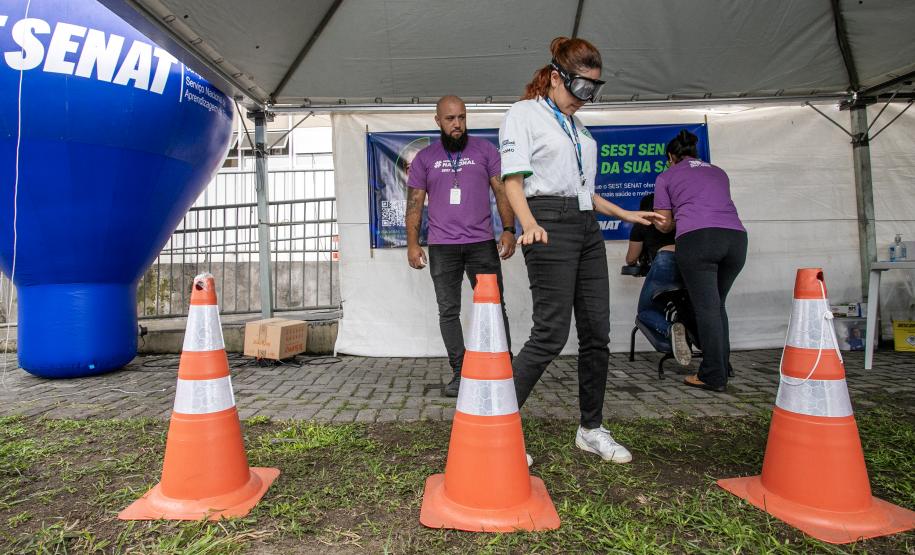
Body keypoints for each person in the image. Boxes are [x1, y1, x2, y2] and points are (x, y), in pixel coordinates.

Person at [499, 37, 662, 463]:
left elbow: (583, 191)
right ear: (556, 77)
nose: (583, 98)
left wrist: (625, 214)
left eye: (593, 90)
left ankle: (591, 429)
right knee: (550, 334)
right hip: (546, 222)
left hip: (585, 224)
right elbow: (513, 180)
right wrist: (528, 224)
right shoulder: (524, 113)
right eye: (579, 88)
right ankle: (493, 426)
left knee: (596, 334)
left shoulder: (577, 126)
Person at [406, 95, 517, 397]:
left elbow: (502, 191)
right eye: (450, 119)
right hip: (442, 247)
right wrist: (413, 244)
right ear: (438, 121)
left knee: (495, 307)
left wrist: (509, 229)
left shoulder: (485, 150)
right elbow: (414, 203)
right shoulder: (425, 158)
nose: (457, 124)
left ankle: (504, 367)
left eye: (462, 118)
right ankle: (460, 371)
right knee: (448, 310)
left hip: (482, 244)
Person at [653, 129, 747, 392]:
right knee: (717, 306)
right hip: (736, 239)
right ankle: (722, 366)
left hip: (699, 240)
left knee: (706, 309)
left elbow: (664, 222)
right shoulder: (718, 172)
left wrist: (664, 223)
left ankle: (713, 375)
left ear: (671, 157)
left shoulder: (667, 176)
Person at [626, 193, 691, 365]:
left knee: (645, 311)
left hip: (664, 264)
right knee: (696, 307)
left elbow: (631, 259)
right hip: (690, 266)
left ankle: (670, 329)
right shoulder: (682, 222)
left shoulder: (641, 226)